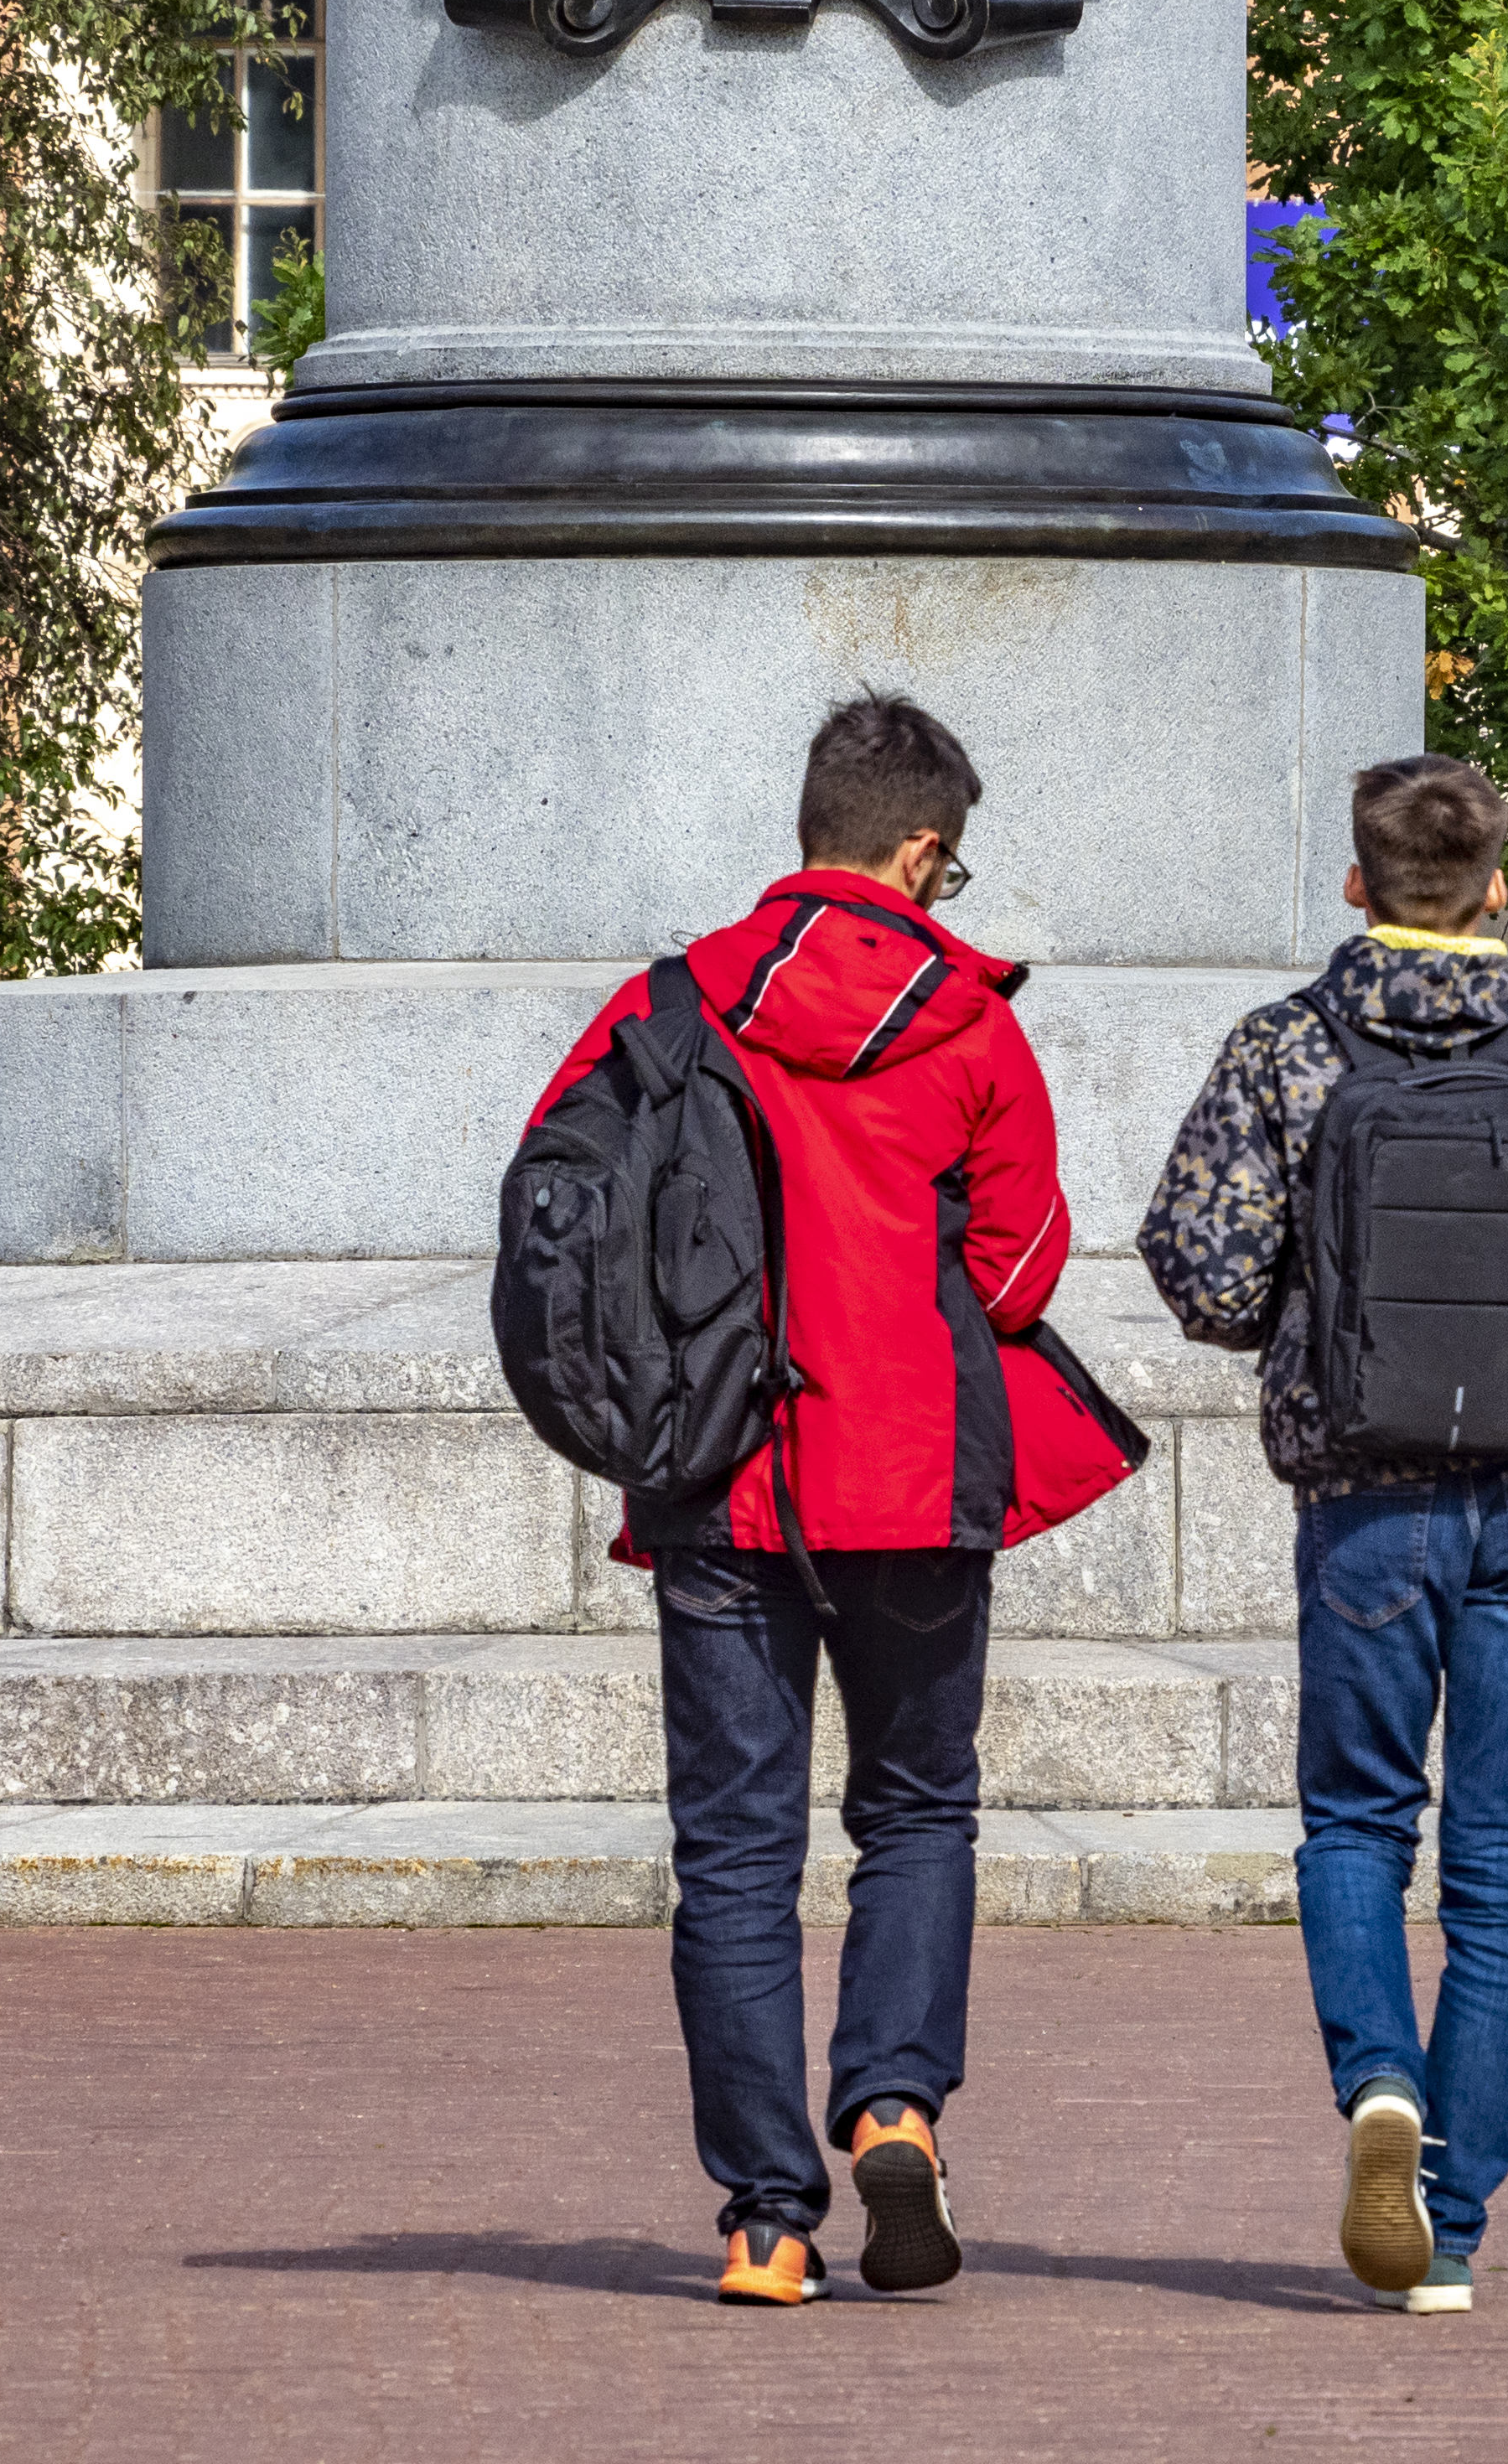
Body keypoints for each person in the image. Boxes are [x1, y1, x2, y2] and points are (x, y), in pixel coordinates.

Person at [524, 692, 1149, 2306]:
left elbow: (564, 1217)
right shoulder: (972, 1026)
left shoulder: (666, 1005)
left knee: (733, 1852)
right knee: (916, 1808)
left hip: (716, 1477)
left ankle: (761, 2221)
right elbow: (1012, 1277)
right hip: (913, 1474)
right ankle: (890, 2102)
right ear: (921, 847)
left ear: (812, 824)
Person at [1138, 755, 1508, 2314]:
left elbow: (1199, 1272)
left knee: (1353, 1824)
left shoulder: (1285, 1048)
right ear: (1497, 885)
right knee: (1501, 1868)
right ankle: (1452, 2227)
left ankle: (1376, 2092)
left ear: (1355, 885)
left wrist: (1312, 1324)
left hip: (1361, 1498)